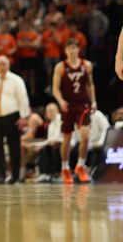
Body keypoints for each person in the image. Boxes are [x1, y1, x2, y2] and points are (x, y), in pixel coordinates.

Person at [52, 39, 96, 184]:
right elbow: (55, 88)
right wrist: (60, 101)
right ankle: (64, 167)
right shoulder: (61, 66)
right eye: (68, 48)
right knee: (67, 138)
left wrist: (94, 101)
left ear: (78, 50)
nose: (71, 51)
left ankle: (80, 165)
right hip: (68, 105)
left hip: (82, 104)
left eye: (74, 48)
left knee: (85, 135)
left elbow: (90, 84)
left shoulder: (86, 65)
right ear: (65, 51)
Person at [0, 56, 31, 183]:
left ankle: (15, 175)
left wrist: (24, 117)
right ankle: (1, 175)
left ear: (8, 66)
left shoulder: (16, 80)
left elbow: (23, 98)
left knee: (14, 147)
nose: (2, 67)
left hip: (12, 116)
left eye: (4, 64)